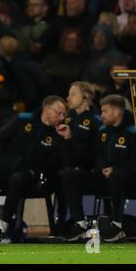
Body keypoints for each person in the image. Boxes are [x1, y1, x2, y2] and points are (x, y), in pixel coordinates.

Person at [0, 95, 66, 243]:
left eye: (64, 114)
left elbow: (56, 161)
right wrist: (4, 161)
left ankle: (6, 225)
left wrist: (64, 139)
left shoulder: (56, 133)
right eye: (59, 113)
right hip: (5, 165)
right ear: (47, 109)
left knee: (17, 179)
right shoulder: (22, 119)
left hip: (30, 171)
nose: (62, 117)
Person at [62, 95, 136, 242]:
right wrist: (104, 167)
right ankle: (80, 223)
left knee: (117, 176)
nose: (101, 115)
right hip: (105, 178)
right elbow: (99, 156)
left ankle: (117, 224)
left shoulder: (133, 132)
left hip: (129, 181)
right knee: (69, 175)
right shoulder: (103, 130)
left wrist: (115, 169)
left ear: (117, 112)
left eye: (105, 111)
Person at [55, 82, 103, 232]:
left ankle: (79, 222)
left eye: (73, 94)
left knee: (67, 175)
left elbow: (97, 152)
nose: (68, 98)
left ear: (86, 96)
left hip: (92, 171)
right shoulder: (68, 120)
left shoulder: (96, 121)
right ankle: (61, 223)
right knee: (59, 173)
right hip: (70, 166)